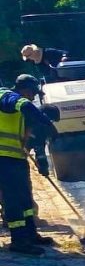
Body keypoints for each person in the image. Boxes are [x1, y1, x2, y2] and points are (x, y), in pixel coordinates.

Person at [0, 75, 58, 256]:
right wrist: (46, 122)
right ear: (24, 89)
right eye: (32, 93)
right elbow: (25, 105)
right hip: (3, 159)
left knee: (25, 199)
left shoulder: (19, 107)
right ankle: (19, 241)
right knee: (13, 200)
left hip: (15, 158)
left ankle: (30, 235)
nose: (33, 97)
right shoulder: (7, 96)